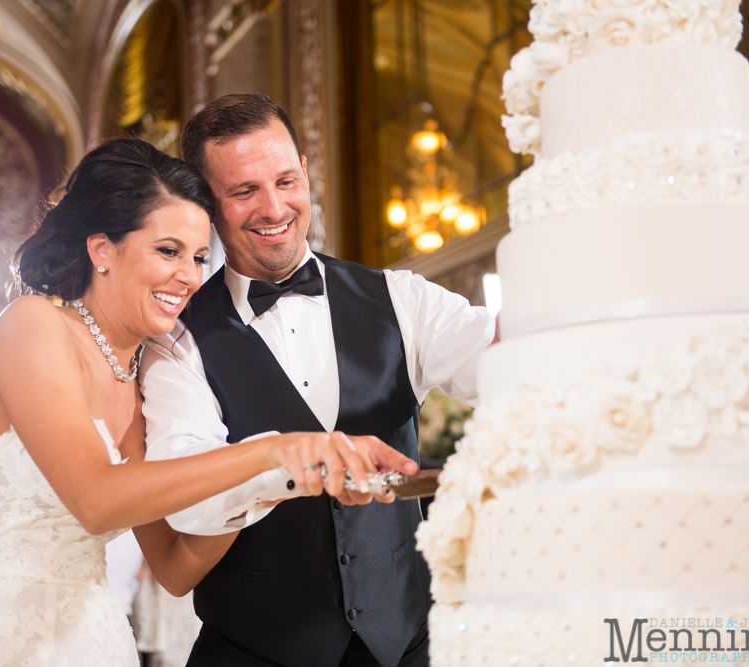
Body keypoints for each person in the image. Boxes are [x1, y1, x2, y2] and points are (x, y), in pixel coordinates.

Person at [0, 137, 413, 666]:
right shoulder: (32, 326)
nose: (190, 276)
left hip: (96, 642)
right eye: (168, 250)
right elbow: (95, 499)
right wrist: (271, 450)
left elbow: (176, 570)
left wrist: (270, 485)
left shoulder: (141, 376)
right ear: (102, 249)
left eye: (200, 256)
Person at [140, 94, 498, 667]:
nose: (273, 207)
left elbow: (506, 364)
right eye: (243, 191)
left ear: (305, 173)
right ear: (206, 203)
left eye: (285, 180)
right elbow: (186, 497)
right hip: (254, 655)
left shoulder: (401, 298)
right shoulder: (174, 340)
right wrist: (290, 465)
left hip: (412, 649)